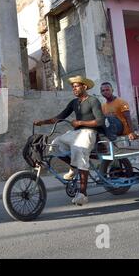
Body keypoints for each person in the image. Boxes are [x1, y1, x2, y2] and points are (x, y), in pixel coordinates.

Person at [34, 76, 105, 206]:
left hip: (89, 132)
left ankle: (83, 194)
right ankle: (74, 168)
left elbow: (100, 121)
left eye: (76, 86)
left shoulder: (93, 101)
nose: (74, 88)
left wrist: (80, 122)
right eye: (73, 87)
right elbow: (59, 117)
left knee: (79, 150)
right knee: (54, 144)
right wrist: (42, 122)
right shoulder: (74, 102)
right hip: (76, 133)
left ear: (84, 87)